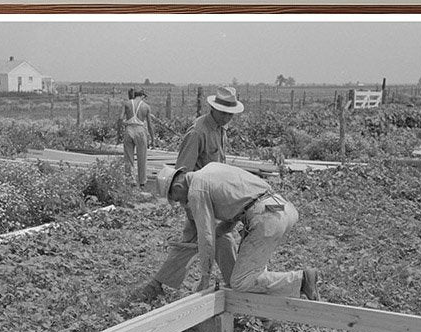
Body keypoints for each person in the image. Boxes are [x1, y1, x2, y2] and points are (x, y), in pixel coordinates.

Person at [130, 85, 243, 301]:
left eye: (231, 113)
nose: (228, 117)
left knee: (197, 241)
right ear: (214, 109)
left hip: (215, 198)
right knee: (222, 238)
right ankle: (237, 286)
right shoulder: (198, 132)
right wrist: (192, 207)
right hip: (199, 199)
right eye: (225, 113)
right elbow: (181, 175)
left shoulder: (220, 129)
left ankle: (157, 285)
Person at [156, 161, 320, 299]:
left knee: (241, 281)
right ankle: (263, 316)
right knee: (253, 273)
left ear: (178, 187)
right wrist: (215, 235)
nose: (181, 203)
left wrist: (205, 278)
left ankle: (301, 279)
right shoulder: (211, 168)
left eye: (177, 199)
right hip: (281, 208)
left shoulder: (196, 190)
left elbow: (206, 236)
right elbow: (235, 209)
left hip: (265, 217)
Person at [121, 88, 154, 189]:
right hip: (140, 130)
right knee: (142, 157)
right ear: (143, 96)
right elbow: (149, 124)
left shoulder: (126, 104)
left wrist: (119, 133)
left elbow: (120, 118)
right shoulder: (146, 107)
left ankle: (130, 181)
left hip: (129, 129)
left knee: (128, 158)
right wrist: (153, 138)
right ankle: (142, 182)